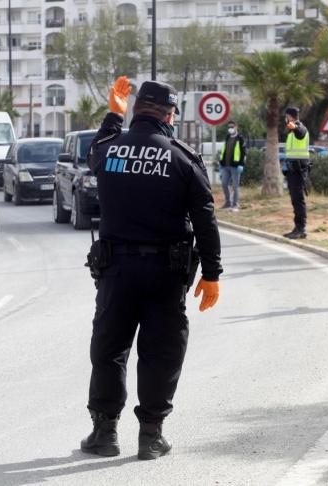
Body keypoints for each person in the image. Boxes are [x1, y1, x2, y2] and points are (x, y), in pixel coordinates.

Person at [81, 76, 223, 461]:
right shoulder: (183, 158)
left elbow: (93, 152)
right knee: (161, 351)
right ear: (170, 115)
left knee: (110, 349)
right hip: (166, 273)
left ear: (138, 109)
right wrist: (212, 273)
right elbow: (206, 220)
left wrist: (114, 115)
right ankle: (151, 435)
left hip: (116, 271)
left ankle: (104, 433)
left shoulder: (109, 150)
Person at [282, 107, 310, 239]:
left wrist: (295, 127)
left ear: (290, 116)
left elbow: (301, 133)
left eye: (287, 116)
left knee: (298, 200)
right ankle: (297, 227)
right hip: (292, 169)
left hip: (299, 170)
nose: (286, 118)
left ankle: (301, 229)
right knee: (295, 200)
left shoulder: (300, 128)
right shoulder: (291, 132)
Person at [218, 120, 246, 211]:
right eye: (229, 127)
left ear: (236, 127)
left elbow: (243, 153)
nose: (230, 129)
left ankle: (235, 204)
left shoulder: (240, 138)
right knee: (224, 184)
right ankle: (227, 202)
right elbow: (224, 150)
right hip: (226, 166)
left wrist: (241, 164)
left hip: (235, 166)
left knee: (235, 186)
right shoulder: (227, 137)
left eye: (232, 127)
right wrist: (221, 163)